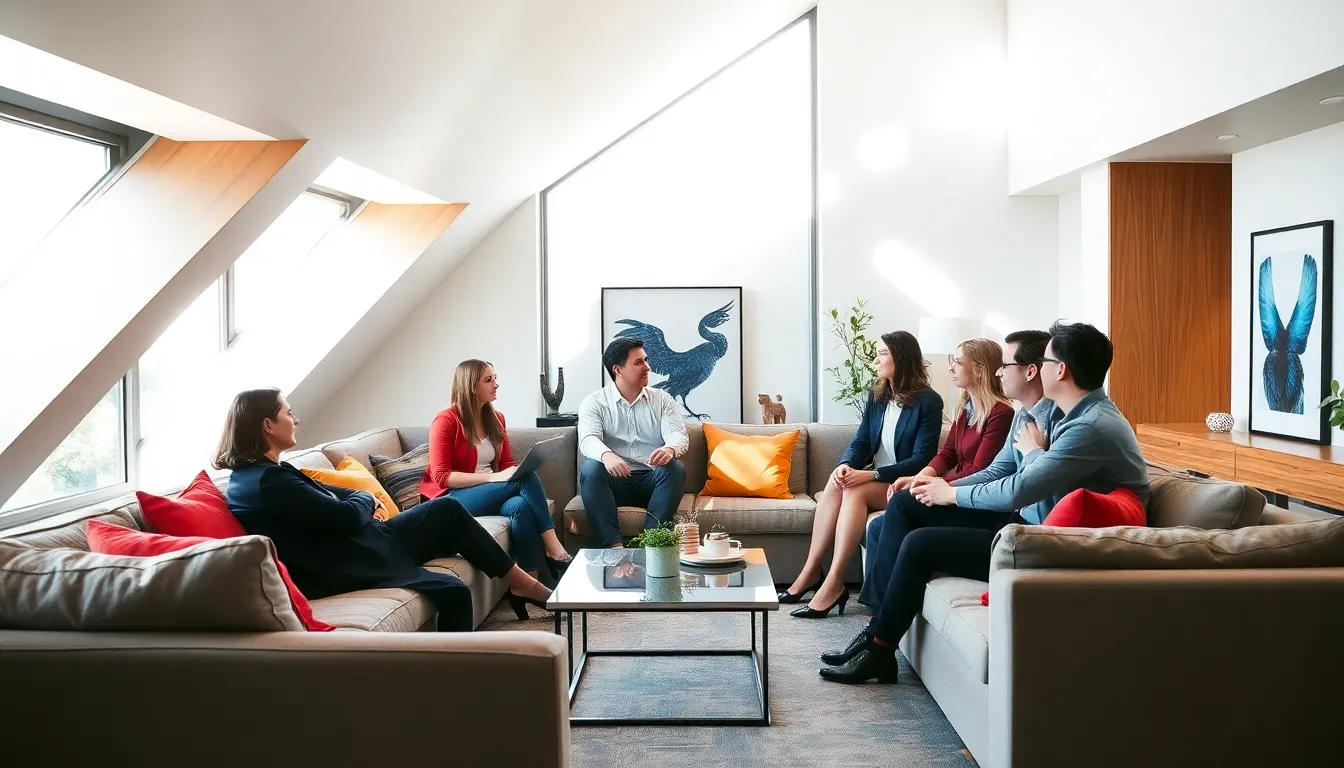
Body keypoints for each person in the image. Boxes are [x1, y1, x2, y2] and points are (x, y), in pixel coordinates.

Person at [821, 322, 1150, 683]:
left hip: (1044, 540)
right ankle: (876, 632)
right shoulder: (1049, 414)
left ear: (1060, 369)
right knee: (906, 504)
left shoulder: (1090, 426)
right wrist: (938, 485)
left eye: (1044, 361)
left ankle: (879, 646)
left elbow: (1019, 488)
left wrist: (957, 489)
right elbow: (999, 471)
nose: (1033, 368)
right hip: (1023, 523)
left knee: (918, 544)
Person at [219, 388, 553, 630]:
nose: (295, 419)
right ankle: (454, 679)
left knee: (445, 512)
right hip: (348, 561)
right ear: (267, 425)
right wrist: (366, 500)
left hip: (363, 541)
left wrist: (355, 501)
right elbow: (347, 515)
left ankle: (521, 582)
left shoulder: (259, 475)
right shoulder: (268, 482)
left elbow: (328, 494)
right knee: (451, 589)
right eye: (287, 413)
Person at [860, 331, 1049, 612]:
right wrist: (921, 477)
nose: (950, 367)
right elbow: (947, 454)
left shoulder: (1002, 414)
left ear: (980, 370)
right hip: (959, 489)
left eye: (957, 362)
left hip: (979, 503)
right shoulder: (967, 408)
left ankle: (881, 608)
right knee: (877, 526)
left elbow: (984, 470)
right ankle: (877, 609)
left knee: (901, 504)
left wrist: (937, 487)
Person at [779, 330, 943, 619]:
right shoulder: (878, 396)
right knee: (836, 481)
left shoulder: (928, 402)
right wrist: (845, 464)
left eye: (882, 353)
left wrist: (871, 475)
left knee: (854, 489)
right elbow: (863, 442)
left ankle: (834, 582)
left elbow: (921, 459)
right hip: (878, 478)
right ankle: (811, 570)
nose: (876, 359)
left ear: (900, 358)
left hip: (905, 483)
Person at [420, 359, 573, 581]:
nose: (496, 384)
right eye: (488, 379)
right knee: (525, 478)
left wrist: (512, 471)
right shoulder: (446, 420)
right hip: (449, 500)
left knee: (520, 505)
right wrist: (493, 478)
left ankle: (528, 582)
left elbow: (505, 464)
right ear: (471, 386)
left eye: (495, 378)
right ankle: (554, 547)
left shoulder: (496, 419)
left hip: (484, 493)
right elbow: (441, 476)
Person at [578, 338, 690, 548]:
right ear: (618, 370)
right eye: (639, 362)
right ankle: (613, 547)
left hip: (653, 482)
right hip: (614, 483)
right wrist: (607, 456)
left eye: (646, 360)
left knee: (675, 467)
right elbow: (587, 439)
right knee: (591, 468)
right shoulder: (594, 403)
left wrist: (669, 448)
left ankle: (653, 544)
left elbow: (678, 435)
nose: (647, 367)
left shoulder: (662, 400)